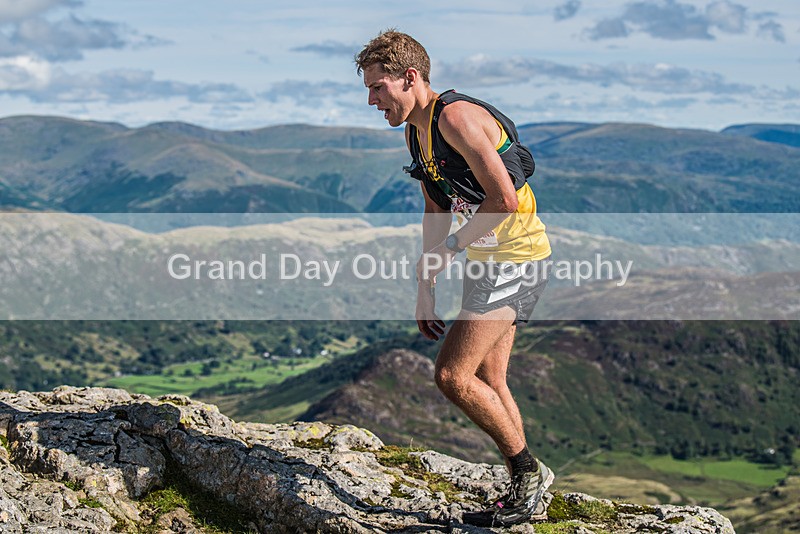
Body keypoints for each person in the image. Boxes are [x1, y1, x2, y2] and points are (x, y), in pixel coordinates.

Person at [355, 30, 553, 527]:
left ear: (410, 77)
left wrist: (449, 250)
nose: (372, 99)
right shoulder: (415, 131)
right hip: (489, 261)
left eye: (378, 87)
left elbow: (504, 200)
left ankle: (527, 477)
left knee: (452, 376)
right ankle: (530, 484)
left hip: (517, 258)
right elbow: (434, 207)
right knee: (489, 378)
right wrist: (426, 285)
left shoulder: (457, 118)